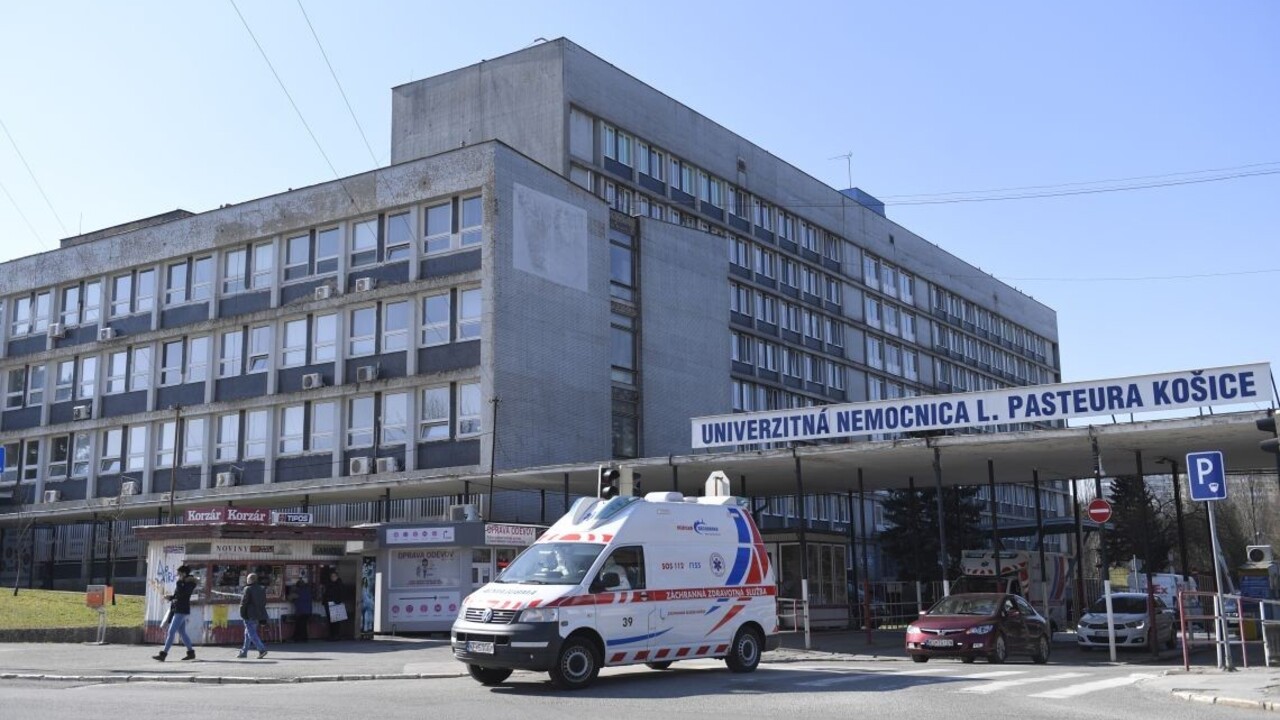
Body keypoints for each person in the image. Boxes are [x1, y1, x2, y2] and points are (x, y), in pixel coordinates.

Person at [153, 565, 198, 662]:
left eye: (179, 574)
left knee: (171, 631)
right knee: (182, 632)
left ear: (184, 574)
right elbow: (177, 595)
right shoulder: (182, 583)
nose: (178, 576)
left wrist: (179, 583)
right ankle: (191, 653)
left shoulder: (189, 583)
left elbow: (183, 594)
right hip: (178, 609)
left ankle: (163, 654)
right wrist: (170, 597)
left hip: (182, 610)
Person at [225, 572, 269, 659]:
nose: (246, 580)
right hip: (258, 614)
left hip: (249, 614)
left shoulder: (247, 589)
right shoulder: (261, 589)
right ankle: (244, 652)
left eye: (247, 579)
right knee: (247, 633)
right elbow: (263, 602)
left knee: (251, 633)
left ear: (250, 580)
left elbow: (244, 602)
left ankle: (262, 649)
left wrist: (242, 613)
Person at [323, 571, 347, 641]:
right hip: (329, 604)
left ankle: (336, 635)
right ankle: (332, 635)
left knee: (336, 621)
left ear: (337, 577)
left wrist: (337, 602)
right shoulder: (329, 584)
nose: (332, 578)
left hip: (336, 604)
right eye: (331, 576)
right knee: (330, 620)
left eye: (334, 576)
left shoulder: (339, 584)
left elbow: (342, 594)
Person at [289, 577, 313, 643]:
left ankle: (299, 638)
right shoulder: (308, 591)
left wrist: (292, 590)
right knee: (303, 625)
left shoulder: (298, 591)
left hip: (301, 611)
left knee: (300, 624)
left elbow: (290, 598)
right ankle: (303, 638)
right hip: (308, 611)